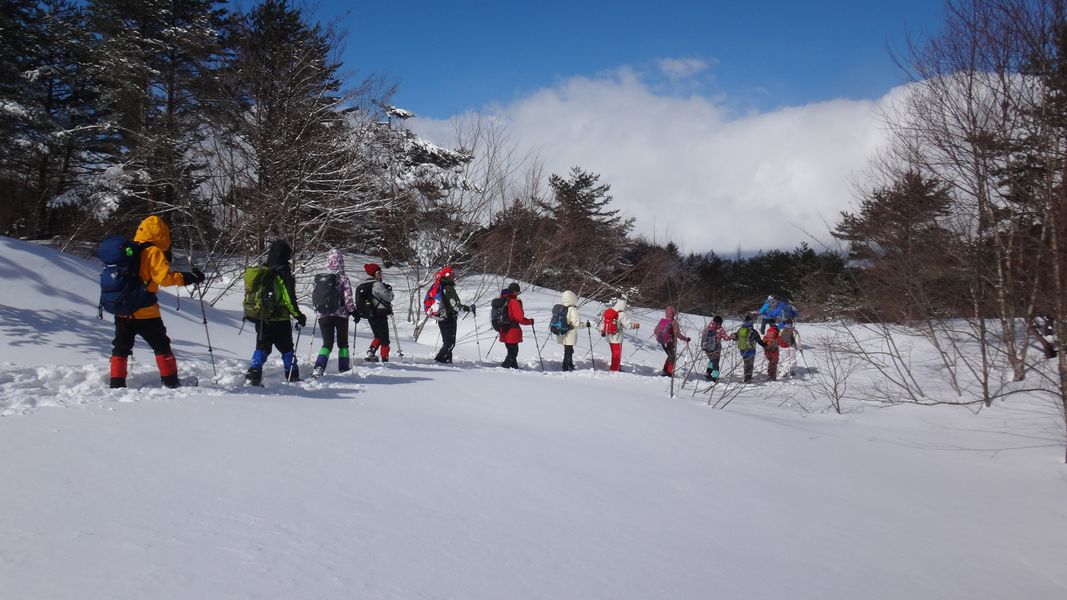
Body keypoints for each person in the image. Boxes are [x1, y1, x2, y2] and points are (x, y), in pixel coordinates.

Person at [108, 215, 204, 388]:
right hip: (146, 310)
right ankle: (170, 382)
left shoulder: (130, 249)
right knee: (161, 345)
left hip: (122, 308)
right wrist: (190, 277)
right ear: (162, 234)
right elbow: (164, 279)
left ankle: (116, 384)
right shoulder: (153, 251)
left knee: (121, 347)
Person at [244, 239, 307, 385]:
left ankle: (254, 371)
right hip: (280, 319)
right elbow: (288, 298)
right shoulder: (283, 273)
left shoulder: (263, 270)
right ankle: (292, 375)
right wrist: (298, 315)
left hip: (261, 317)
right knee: (287, 349)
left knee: (262, 347)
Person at [312, 249, 356, 377]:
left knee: (327, 344)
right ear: (341, 261)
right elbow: (348, 298)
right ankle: (343, 368)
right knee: (343, 344)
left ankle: (319, 367)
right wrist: (353, 311)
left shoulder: (319, 277)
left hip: (323, 315)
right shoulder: (343, 278)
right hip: (341, 315)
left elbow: (314, 296)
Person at [433, 266, 472, 363]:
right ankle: (439, 360)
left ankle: (447, 360)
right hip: (448, 317)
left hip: (442, 317)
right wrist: (468, 308)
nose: (454, 276)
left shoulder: (441, 286)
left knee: (447, 342)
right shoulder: (448, 288)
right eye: (452, 274)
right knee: (450, 343)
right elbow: (455, 306)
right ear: (448, 276)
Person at [361, 263, 395, 363]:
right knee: (385, 338)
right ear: (373, 274)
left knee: (378, 336)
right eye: (378, 272)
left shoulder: (363, 284)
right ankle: (384, 359)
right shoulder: (377, 284)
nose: (381, 274)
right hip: (380, 313)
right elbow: (388, 297)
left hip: (370, 314)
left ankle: (371, 353)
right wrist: (390, 291)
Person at [498, 282, 534, 368]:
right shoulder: (514, 302)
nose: (518, 294)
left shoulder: (502, 301)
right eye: (517, 292)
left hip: (503, 329)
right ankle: (504, 367)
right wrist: (530, 321)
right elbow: (520, 318)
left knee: (512, 350)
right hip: (512, 330)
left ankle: (515, 368)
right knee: (513, 352)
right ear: (514, 292)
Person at [600, 298, 640, 372]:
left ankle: (615, 366)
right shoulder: (621, 314)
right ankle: (614, 369)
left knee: (614, 353)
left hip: (609, 336)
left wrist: (603, 330)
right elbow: (628, 325)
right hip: (617, 338)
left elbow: (603, 323)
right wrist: (635, 325)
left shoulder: (609, 311)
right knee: (617, 354)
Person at [553, 290, 586, 371]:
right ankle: (565, 366)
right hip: (569, 333)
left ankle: (570, 364)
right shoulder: (572, 310)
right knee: (568, 350)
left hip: (560, 331)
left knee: (568, 349)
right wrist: (586, 325)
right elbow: (577, 324)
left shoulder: (559, 307)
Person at [654, 305, 691, 377]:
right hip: (671, 342)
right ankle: (668, 372)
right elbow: (677, 334)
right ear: (674, 313)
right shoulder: (674, 322)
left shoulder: (662, 321)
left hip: (662, 341)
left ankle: (665, 370)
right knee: (673, 357)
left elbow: (656, 330)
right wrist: (685, 339)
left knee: (670, 356)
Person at [732, 314, 767, 383]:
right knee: (749, 365)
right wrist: (765, 345)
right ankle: (747, 379)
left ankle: (746, 377)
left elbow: (737, 338)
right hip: (751, 350)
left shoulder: (740, 329)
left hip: (742, 350)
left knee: (746, 363)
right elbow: (759, 340)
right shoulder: (753, 331)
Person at [699, 315, 732, 382]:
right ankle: (715, 377)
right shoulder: (720, 329)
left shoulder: (708, 327)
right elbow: (726, 338)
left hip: (707, 348)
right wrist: (732, 337)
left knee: (712, 360)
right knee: (715, 362)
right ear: (719, 322)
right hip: (715, 348)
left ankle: (708, 373)